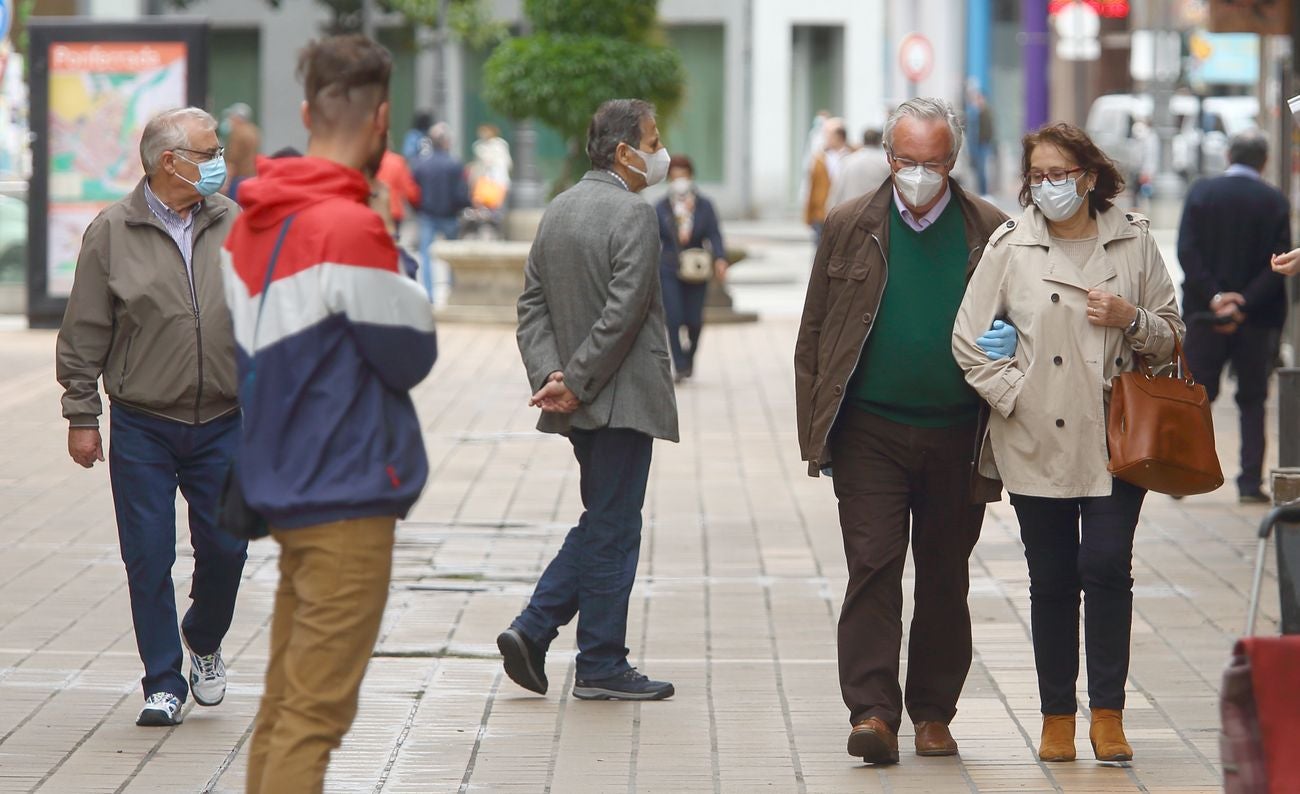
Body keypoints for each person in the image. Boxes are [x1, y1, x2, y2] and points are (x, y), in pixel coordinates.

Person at [221, 35, 438, 793]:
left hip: (282, 483)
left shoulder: (251, 222)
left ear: (308, 109)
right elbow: (411, 352)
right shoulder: (349, 229)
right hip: (346, 491)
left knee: (285, 708)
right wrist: (392, 246)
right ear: (382, 118)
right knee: (313, 718)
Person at [952, 122, 1182, 764]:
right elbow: (967, 338)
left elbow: (1171, 331)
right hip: (1037, 437)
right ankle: (1057, 715)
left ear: (1089, 175)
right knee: (1051, 579)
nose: (1049, 186)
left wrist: (1129, 320)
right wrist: (1016, 393)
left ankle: (1108, 714)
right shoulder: (1011, 244)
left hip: (1117, 435)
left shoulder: (1132, 239)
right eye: (1038, 175)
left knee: (1106, 565)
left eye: (1061, 173)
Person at [793, 97, 1008, 765]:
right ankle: (873, 712)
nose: (919, 174)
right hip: (870, 431)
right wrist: (817, 438)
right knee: (873, 566)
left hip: (959, 434)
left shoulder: (992, 231)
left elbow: (1027, 329)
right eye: (907, 160)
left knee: (945, 576)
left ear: (953, 161)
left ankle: (934, 713)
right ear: (889, 158)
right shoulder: (851, 223)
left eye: (934, 162)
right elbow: (815, 338)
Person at [56, 107, 246, 727]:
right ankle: (163, 680)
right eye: (208, 149)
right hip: (143, 421)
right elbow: (84, 331)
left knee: (228, 548)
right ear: (172, 162)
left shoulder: (232, 220)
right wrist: (81, 413)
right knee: (148, 554)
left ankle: (204, 636)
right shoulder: (111, 232)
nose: (221, 160)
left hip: (224, 417)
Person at [500, 98, 679, 702]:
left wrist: (553, 375)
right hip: (619, 397)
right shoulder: (632, 213)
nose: (661, 152)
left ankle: (545, 636)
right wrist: (573, 380)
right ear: (625, 151)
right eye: (653, 141)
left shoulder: (558, 209)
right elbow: (624, 312)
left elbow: (531, 306)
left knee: (604, 519)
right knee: (612, 526)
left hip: (579, 403)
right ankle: (591, 657)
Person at [1176, 130, 1289, 504]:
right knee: (1253, 400)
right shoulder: (1274, 200)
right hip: (1255, 320)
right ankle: (1248, 483)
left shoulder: (1202, 193)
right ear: (1265, 161)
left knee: (1196, 396)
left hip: (1205, 316)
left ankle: (1179, 474)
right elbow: (1280, 264)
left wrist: (1215, 297)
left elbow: (1187, 252)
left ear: (1227, 155)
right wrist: (1244, 303)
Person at [656, 154, 728, 382]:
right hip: (669, 266)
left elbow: (714, 233)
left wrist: (720, 258)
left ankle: (689, 356)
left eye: (683, 175)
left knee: (694, 320)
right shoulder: (662, 207)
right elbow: (652, 236)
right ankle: (680, 365)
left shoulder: (704, 205)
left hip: (696, 267)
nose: (680, 180)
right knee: (674, 317)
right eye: (675, 176)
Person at [411, 122, 471, 302]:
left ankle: (429, 295)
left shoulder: (421, 165)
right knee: (454, 258)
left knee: (426, 257)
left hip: (427, 215)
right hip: (450, 216)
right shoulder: (454, 164)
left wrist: (418, 208)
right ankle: (453, 292)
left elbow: (413, 191)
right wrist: (463, 207)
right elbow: (461, 192)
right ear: (446, 142)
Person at [804, 118, 849, 245]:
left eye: (828, 135)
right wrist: (809, 214)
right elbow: (812, 187)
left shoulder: (852, 156)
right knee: (820, 249)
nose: (825, 139)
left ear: (839, 136)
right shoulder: (819, 159)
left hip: (845, 212)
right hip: (821, 212)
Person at [827, 128, 892, 210]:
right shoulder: (886, 163)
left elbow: (837, 191)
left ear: (863, 141)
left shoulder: (847, 161)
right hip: (877, 214)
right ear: (879, 141)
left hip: (850, 212)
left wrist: (830, 212)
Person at [375, 147, 421, 238]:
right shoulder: (397, 162)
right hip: (394, 211)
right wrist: (417, 202)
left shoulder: (367, 160)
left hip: (372, 209)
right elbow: (409, 189)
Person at [221, 102, 261, 203]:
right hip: (252, 178)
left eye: (232, 117)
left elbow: (232, 161)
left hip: (238, 180)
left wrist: (225, 182)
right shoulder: (254, 131)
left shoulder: (237, 133)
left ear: (237, 118)